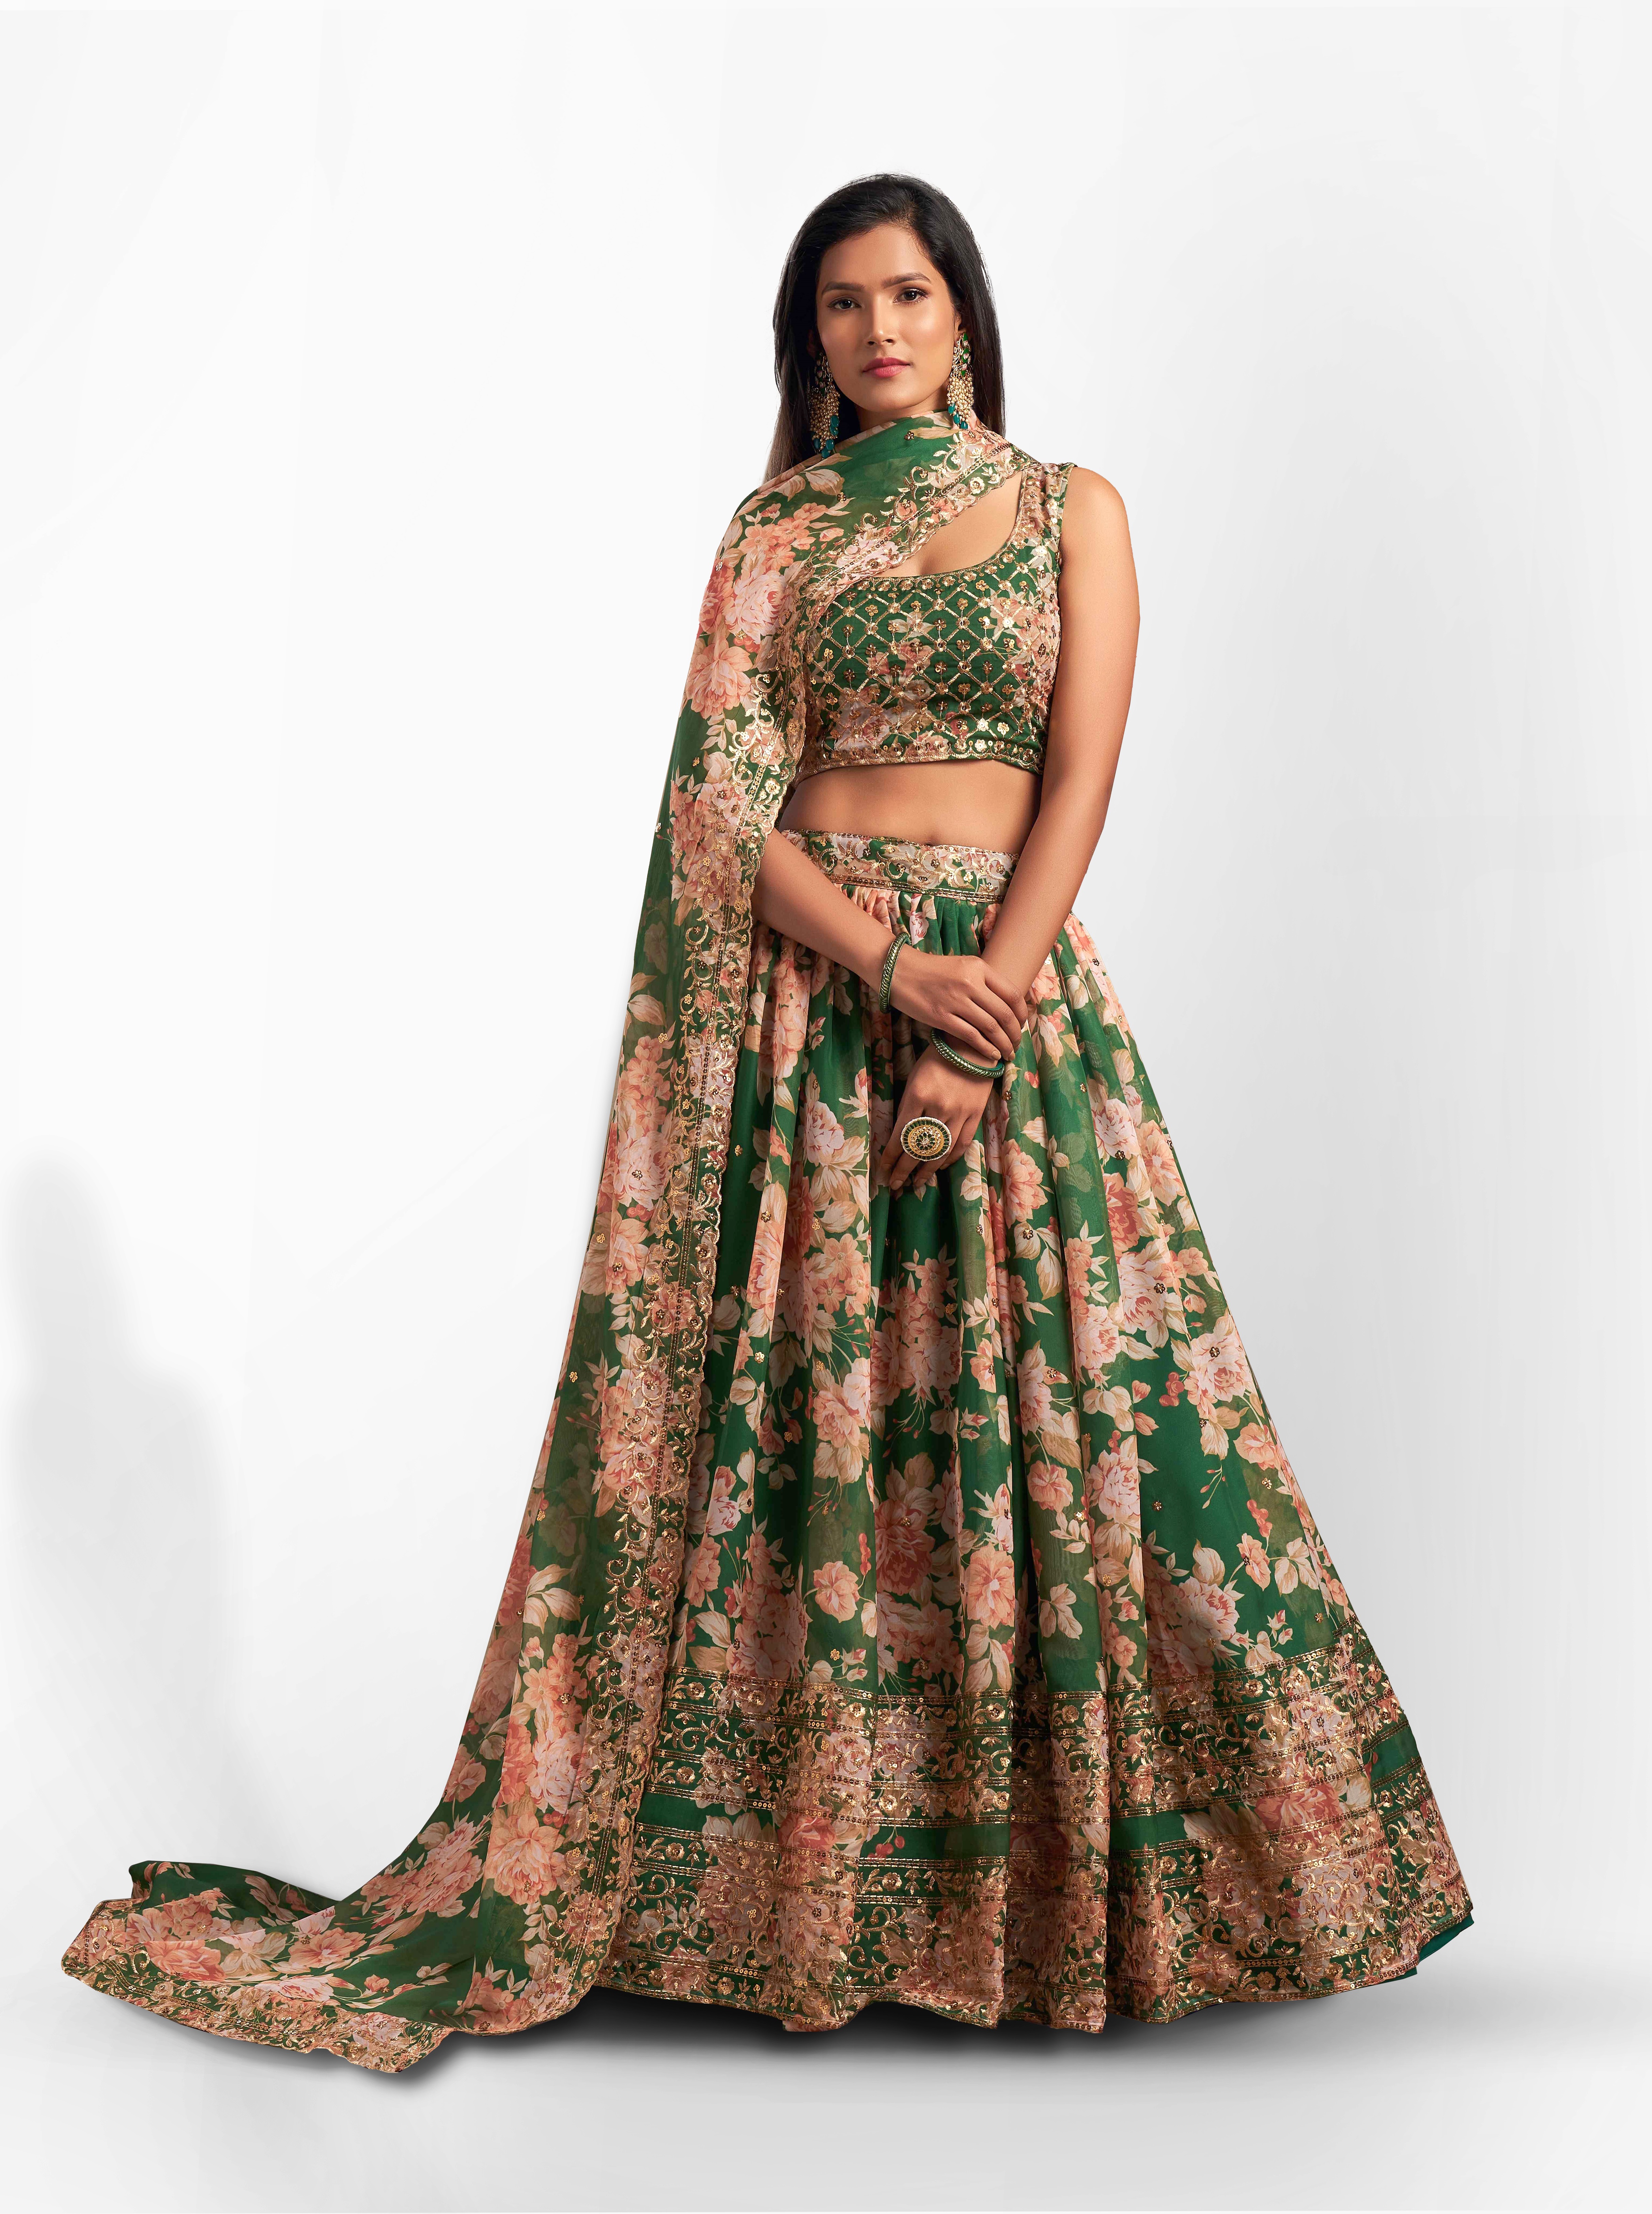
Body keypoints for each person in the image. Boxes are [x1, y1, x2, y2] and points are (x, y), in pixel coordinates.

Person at [62, 174, 1471, 2072]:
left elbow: (1079, 775)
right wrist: (895, 974)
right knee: (815, 1440)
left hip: (1012, 1005)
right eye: (840, 304)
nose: (877, 329)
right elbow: (721, 814)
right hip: (816, 1018)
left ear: (965, 313)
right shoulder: (778, 530)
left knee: (1094, 1428)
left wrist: (982, 1015)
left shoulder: (1073, 509)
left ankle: (1070, 1902)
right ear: (809, 340)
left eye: (908, 294)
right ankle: (799, 1896)